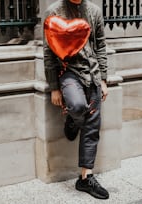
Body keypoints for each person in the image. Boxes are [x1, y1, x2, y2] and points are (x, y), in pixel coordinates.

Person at [43, 0, 109, 200]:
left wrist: (104, 79)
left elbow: (101, 46)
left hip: (93, 74)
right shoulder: (53, 12)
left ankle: (85, 177)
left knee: (92, 127)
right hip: (69, 72)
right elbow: (48, 53)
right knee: (78, 105)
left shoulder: (94, 11)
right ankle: (73, 119)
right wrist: (54, 87)